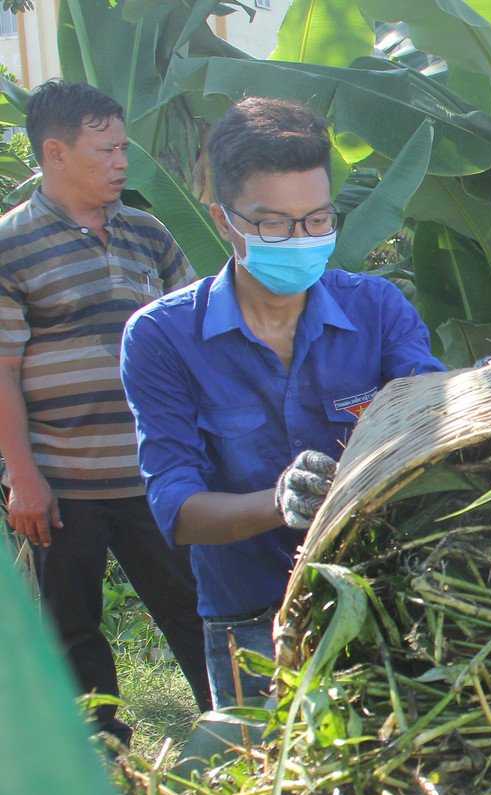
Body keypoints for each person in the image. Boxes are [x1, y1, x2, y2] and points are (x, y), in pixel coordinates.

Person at [120, 99, 445, 708]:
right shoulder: (163, 338)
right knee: (272, 790)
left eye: (318, 221)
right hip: (253, 622)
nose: (301, 241)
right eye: (273, 225)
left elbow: (428, 417)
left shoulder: (377, 311)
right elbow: (177, 508)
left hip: (383, 596)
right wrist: (278, 503)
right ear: (224, 220)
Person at [0, 81, 210, 743]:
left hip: (156, 473)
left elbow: (194, 335)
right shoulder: (11, 245)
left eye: (124, 147)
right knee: (70, 626)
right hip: (63, 482)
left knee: (198, 607)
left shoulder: (148, 233)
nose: (123, 161)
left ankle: (236, 727)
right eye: (108, 148)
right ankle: (101, 755)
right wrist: (23, 477)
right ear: (56, 153)